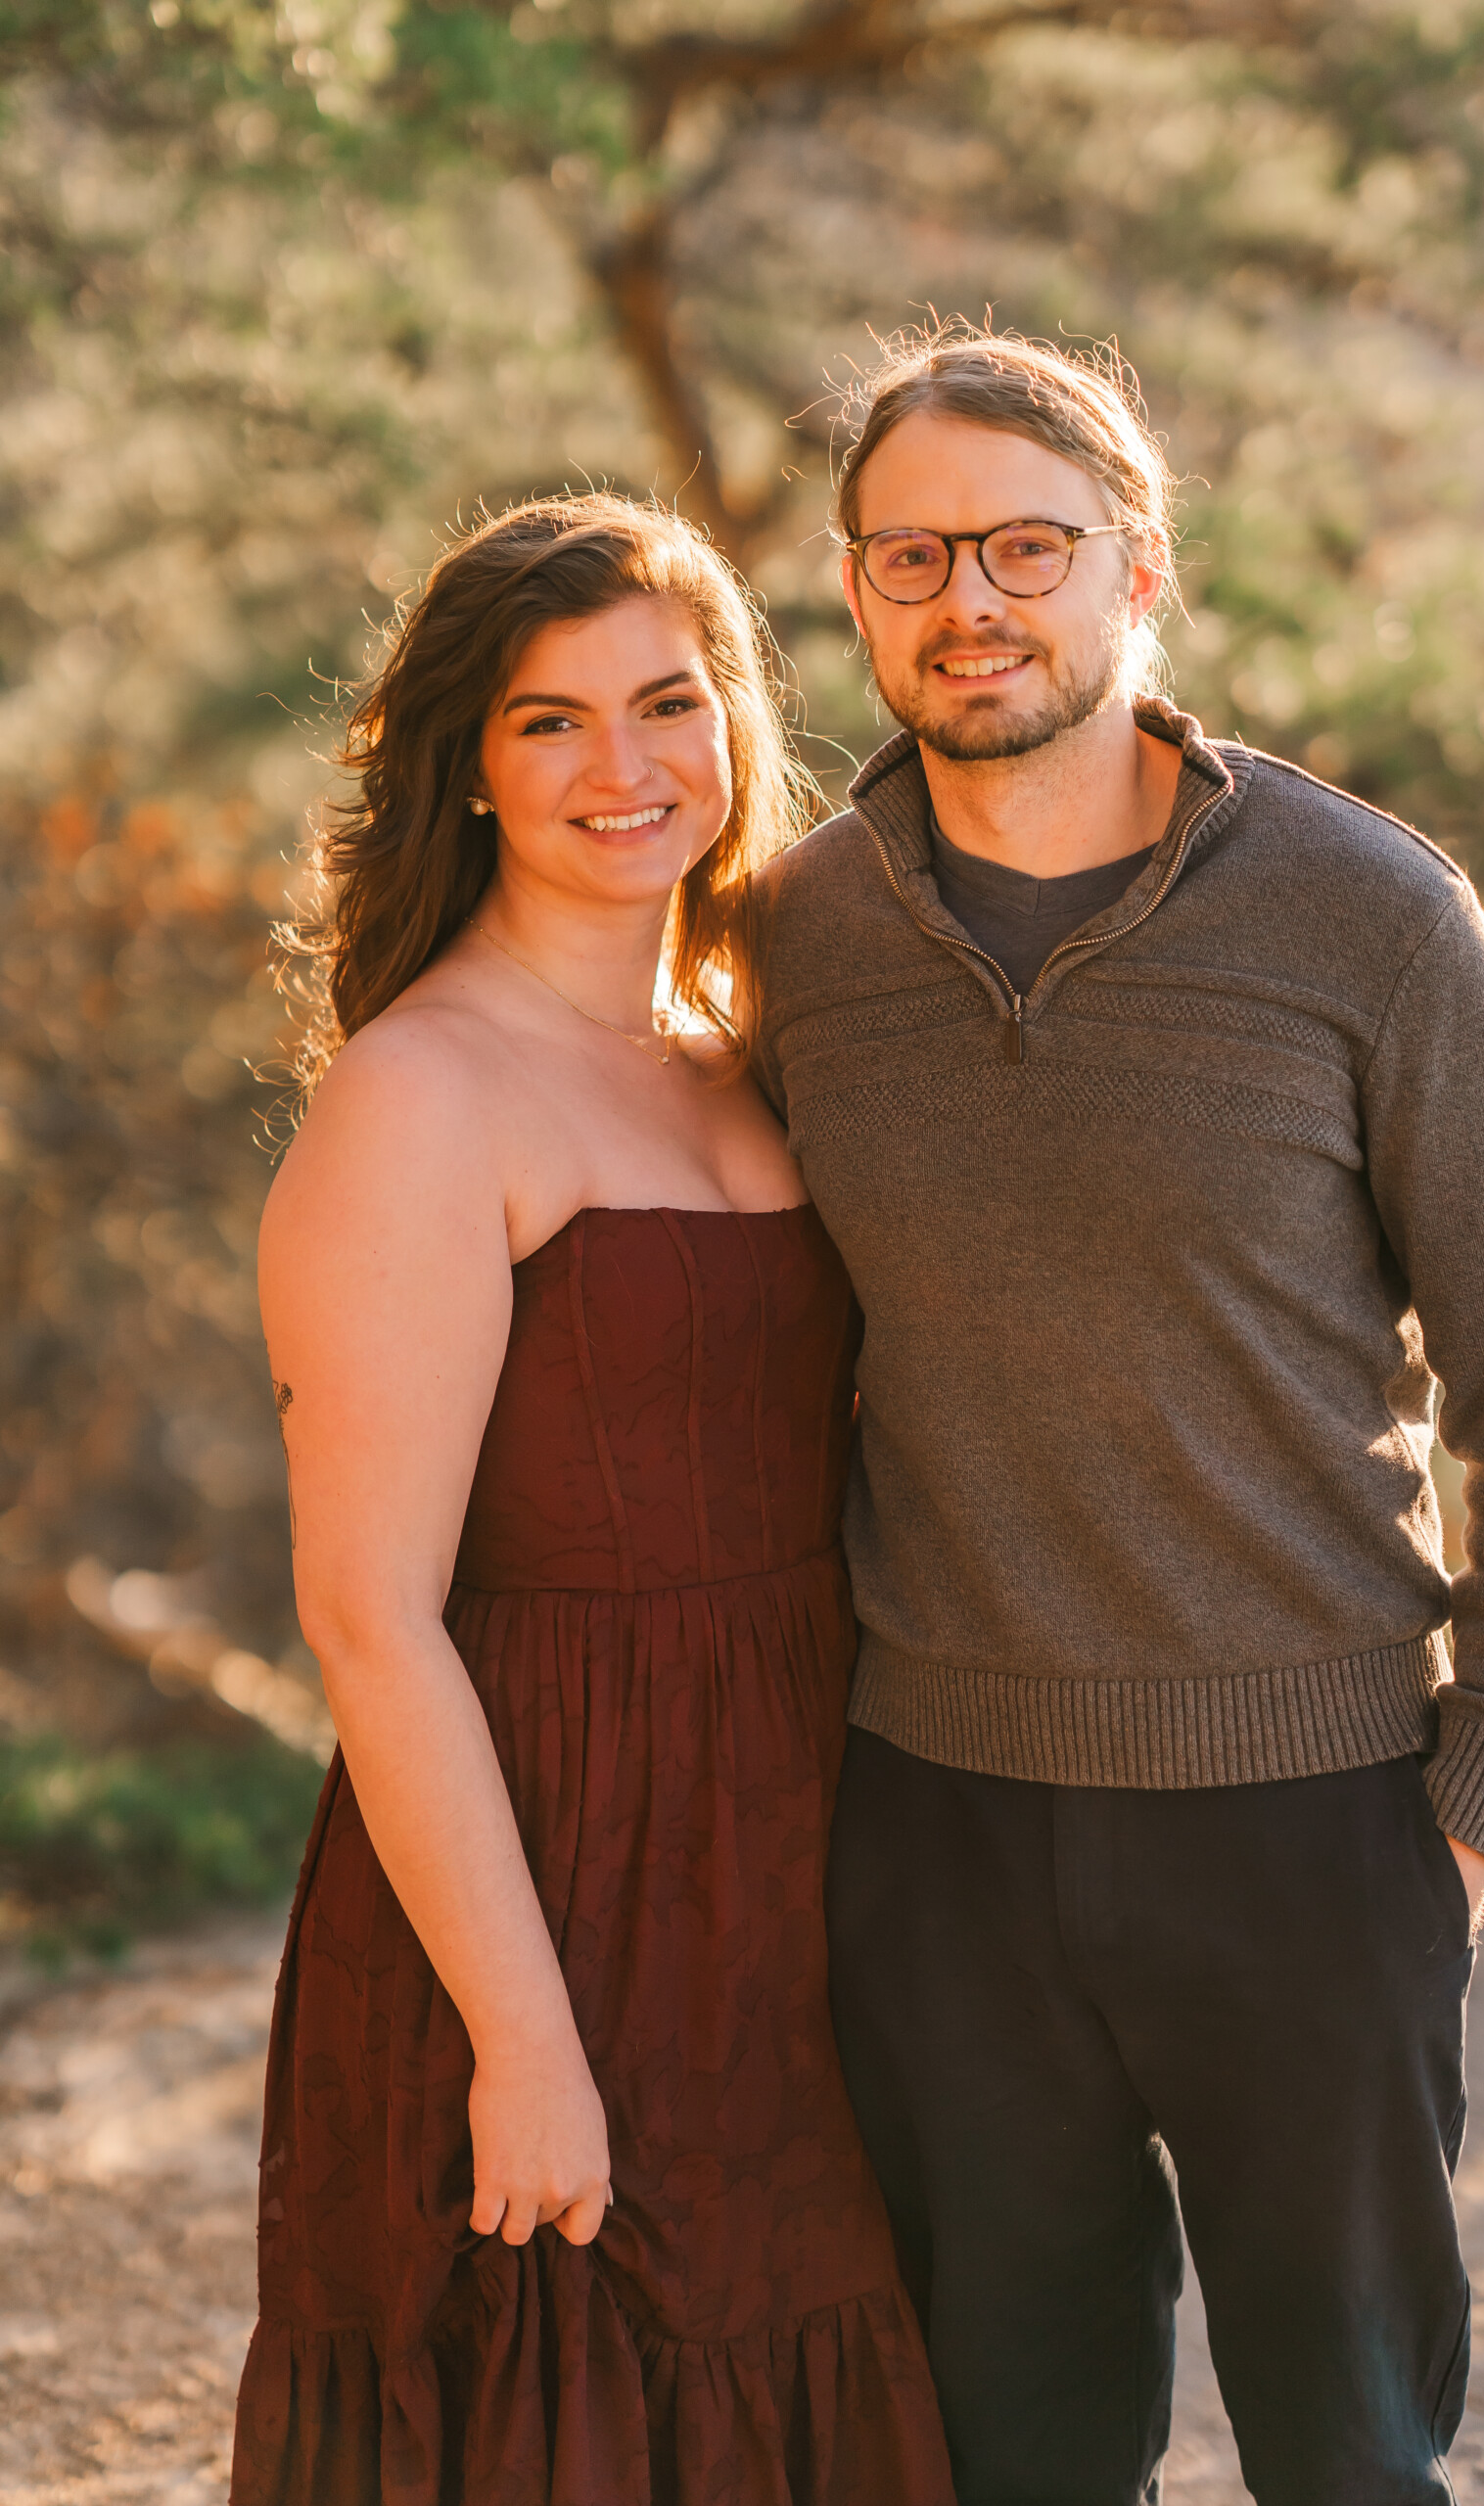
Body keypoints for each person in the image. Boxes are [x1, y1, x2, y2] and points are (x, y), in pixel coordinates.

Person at [752, 326, 1484, 2506]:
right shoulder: (794, 944)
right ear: (857, 594)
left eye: (1026, 546)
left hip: (1313, 1819)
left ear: (1136, 566)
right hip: (937, 1827)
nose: (970, 600)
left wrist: (1470, 1797)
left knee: (1349, 2451)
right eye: (910, 557)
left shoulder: (1366, 913)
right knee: (1009, 2453)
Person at [231, 495, 954, 2506]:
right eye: (550, 722)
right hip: (546, 1861)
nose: (621, 769)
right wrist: (521, 2034)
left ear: (734, 722)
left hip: (798, 1845)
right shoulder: (419, 1094)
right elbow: (370, 1611)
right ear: (464, 758)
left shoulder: (741, 1054)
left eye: (666, 701)